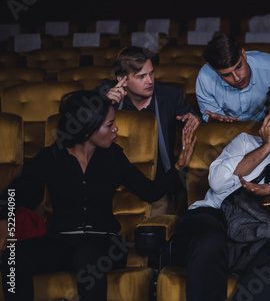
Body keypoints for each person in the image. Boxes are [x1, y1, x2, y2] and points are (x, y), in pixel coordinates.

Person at [0, 90, 196, 301]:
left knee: (86, 255)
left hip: (105, 244)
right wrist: (4, 222)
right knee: (14, 256)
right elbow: (12, 194)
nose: (116, 129)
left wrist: (178, 166)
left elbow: (150, 191)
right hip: (61, 241)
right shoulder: (51, 157)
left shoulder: (114, 157)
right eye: (109, 125)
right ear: (86, 131)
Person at [177, 81, 270, 301]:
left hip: (260, 233)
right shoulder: (245, 142)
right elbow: (218, 183)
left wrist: (268, 198)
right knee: (209, 239)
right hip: (214, 218)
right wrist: (266, 147)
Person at [101, 46, 201, 214]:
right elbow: (77, 120)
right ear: (122, 80)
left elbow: (195, 121)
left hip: (159, 180)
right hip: (116, 180)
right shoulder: (105, 94)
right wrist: (103, 105)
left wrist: (196, 119)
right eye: (141, 76)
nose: (150, 81)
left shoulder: (170, 95)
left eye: (151, 73)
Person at [196, 32, 270, 123]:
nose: (237, 78)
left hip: (264, 124)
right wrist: (215, 119)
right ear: (215, 71)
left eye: (238, 67)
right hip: (225, 129)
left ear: (244, 55)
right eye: (227, 75)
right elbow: (210, 115)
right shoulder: (205, 78)